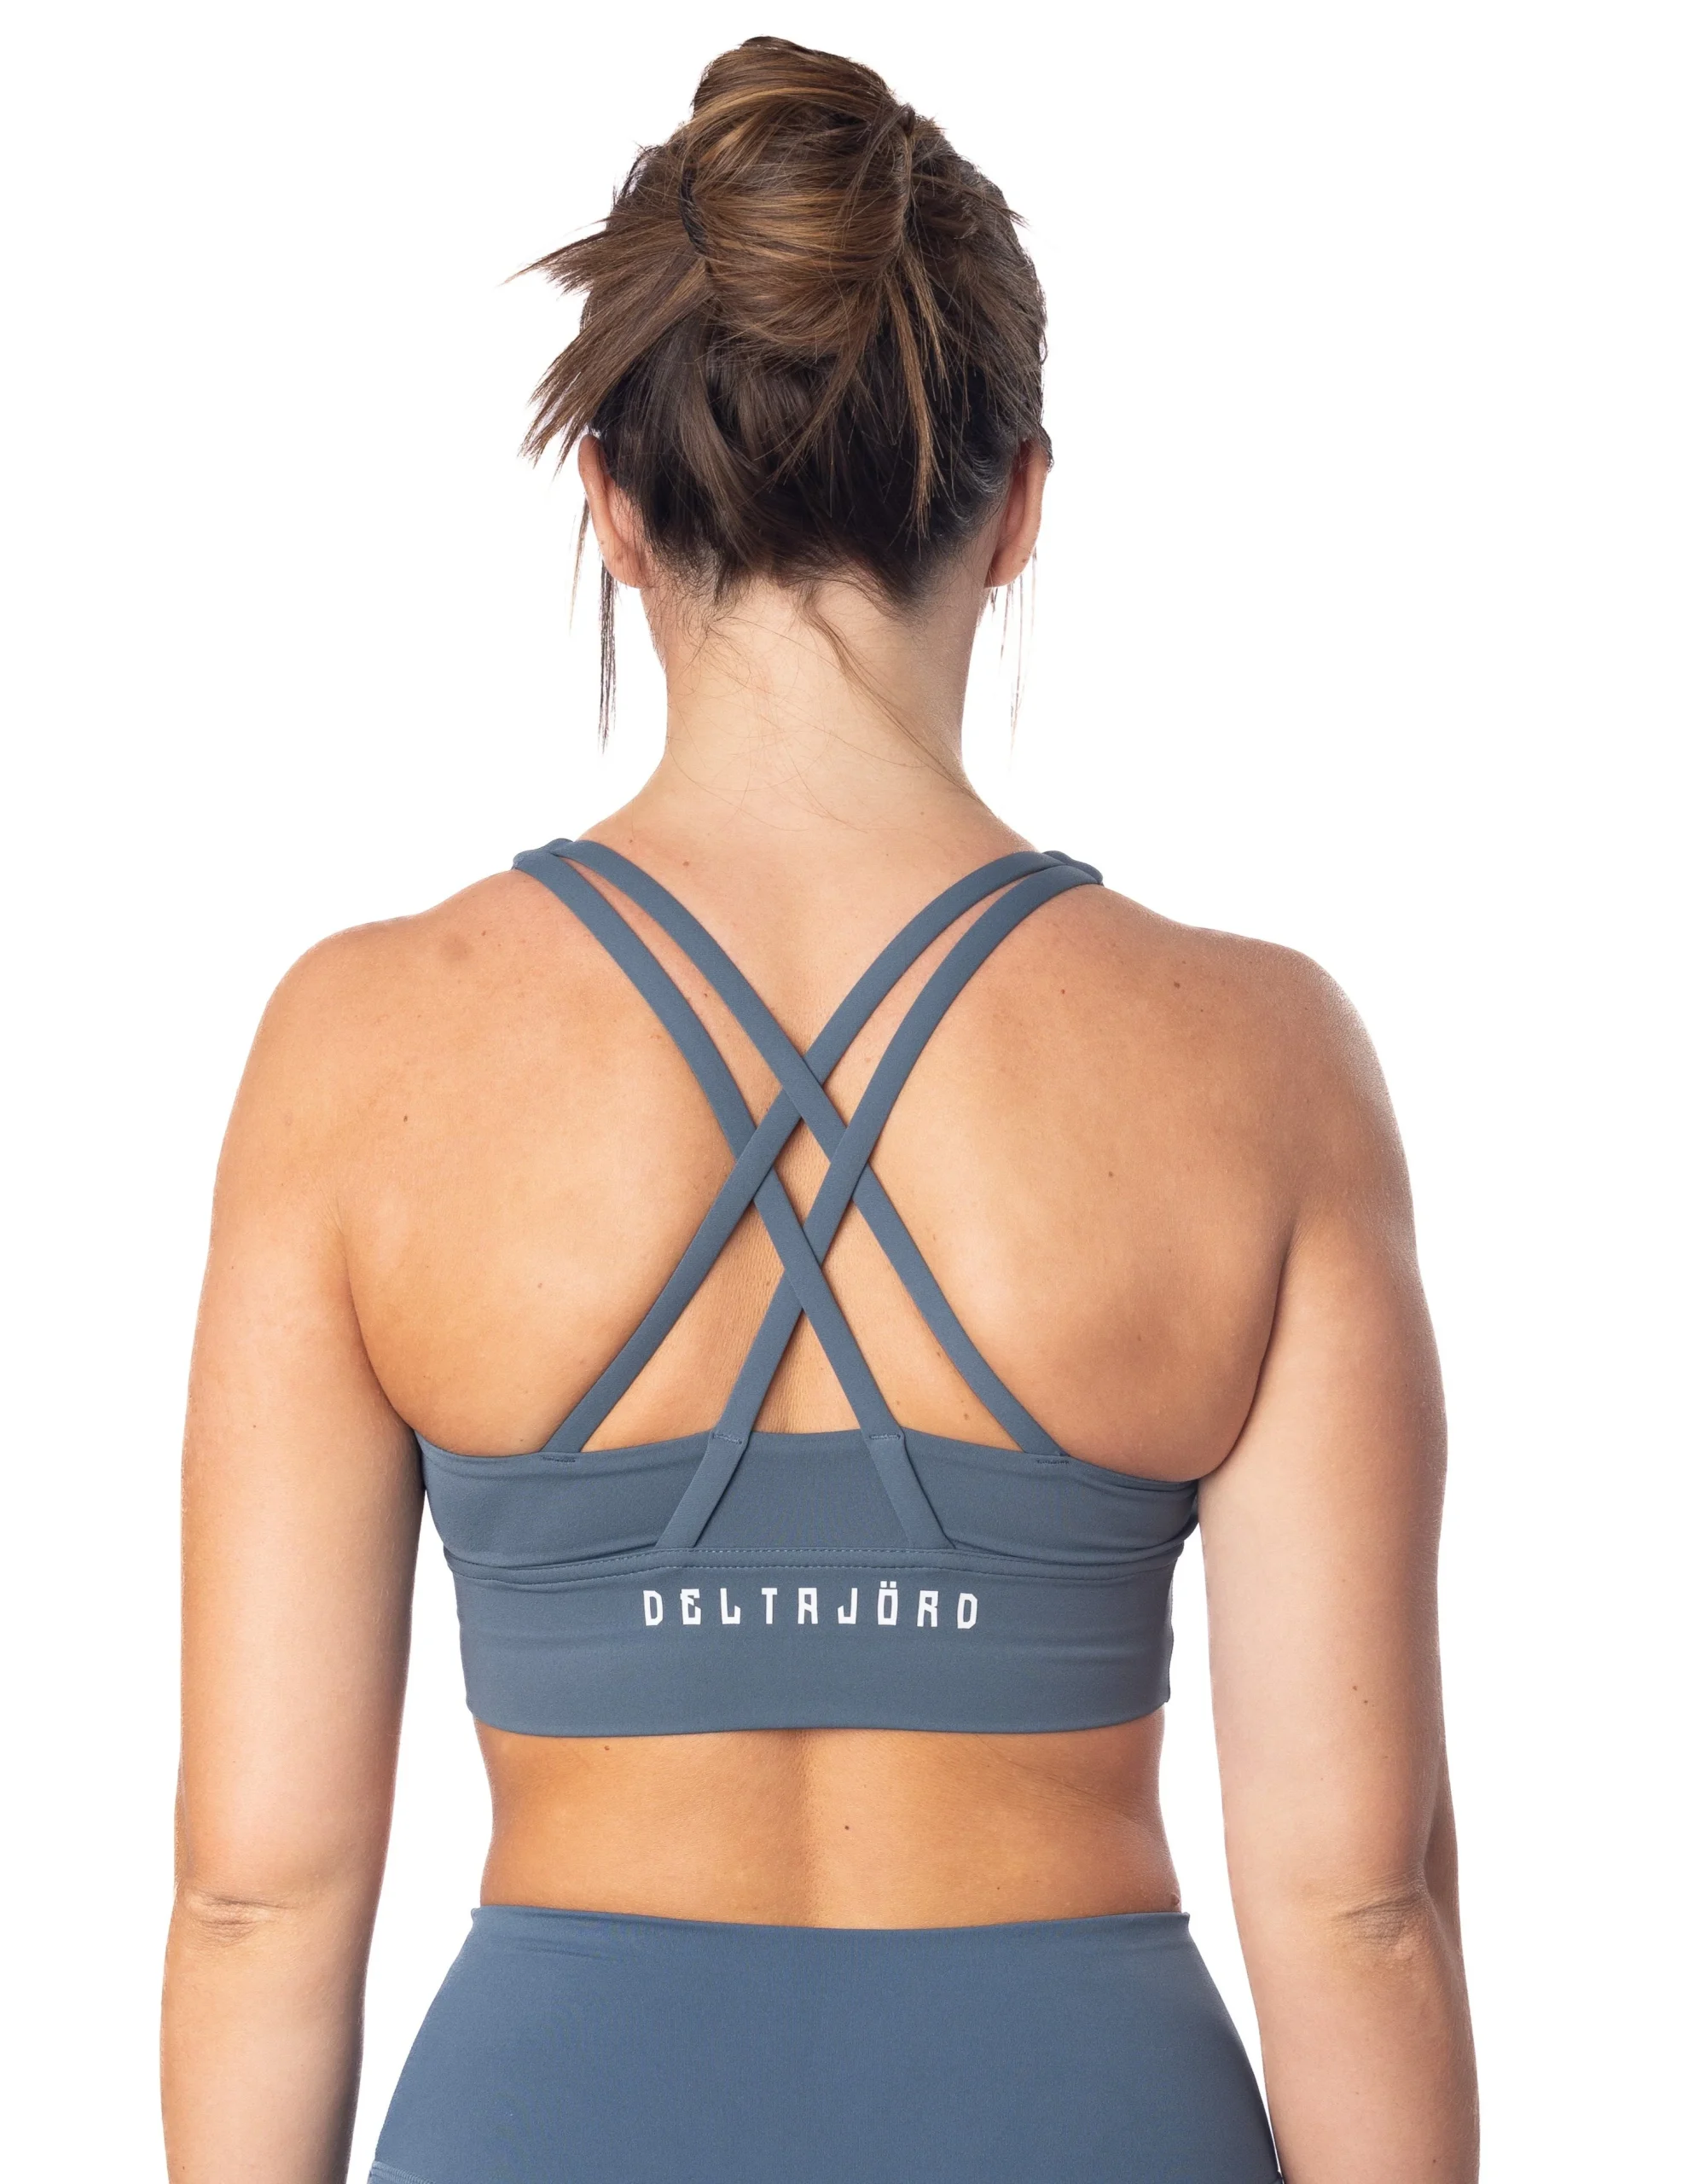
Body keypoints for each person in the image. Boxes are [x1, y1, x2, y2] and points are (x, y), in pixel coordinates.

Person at [162, 36, 1478, 2184]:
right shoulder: (1255, 1060)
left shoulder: (362, 1052)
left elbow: (254, 1894)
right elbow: (1359, 1904)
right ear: (1020, 503)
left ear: (610, 501)